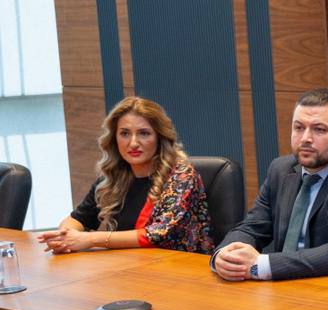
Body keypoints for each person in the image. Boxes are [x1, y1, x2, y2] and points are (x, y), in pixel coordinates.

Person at [212, 88, 328, 281]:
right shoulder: (281, 170)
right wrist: (225, 255)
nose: (306, 138)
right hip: (286, 283)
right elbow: (252, 226)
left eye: (319, 129)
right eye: (299, 128)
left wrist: (260, 265)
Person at [38, 97, 213, 254]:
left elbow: (158, 234)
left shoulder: (181, 176)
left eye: (144, 133)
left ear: (160, 137)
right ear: (114, 139)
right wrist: (64, 237)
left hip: (177, 270)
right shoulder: (112, 177)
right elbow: (78, 219)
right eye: (124, 133)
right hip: (128, 267)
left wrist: (90, 239)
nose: (133, 143)